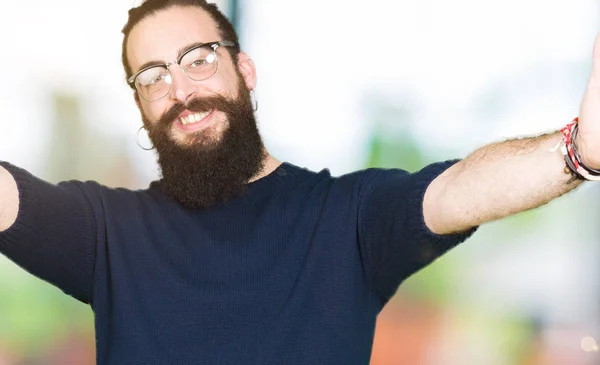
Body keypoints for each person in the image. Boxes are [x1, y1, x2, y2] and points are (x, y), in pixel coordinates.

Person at [0, 0, 598, 363]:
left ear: (245, 69)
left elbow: (460, 188)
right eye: (152, 76)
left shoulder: (347, 219)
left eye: (198, 59)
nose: (180, 90)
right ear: (139, 106)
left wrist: (578, 151)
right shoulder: (105, 233)